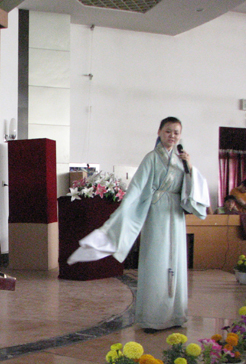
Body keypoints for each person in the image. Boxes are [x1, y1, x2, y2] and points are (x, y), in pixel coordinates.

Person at [68, 117, 209, 332]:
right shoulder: (151, 158)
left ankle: (175, 314)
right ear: (159, 132)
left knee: (176, 260)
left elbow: (192, 186)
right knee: (157, 259)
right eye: (168, 131)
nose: (172, 136)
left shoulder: (181, 160)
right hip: (157, 212)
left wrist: (189, 166)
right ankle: (154, 317)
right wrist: (126, 208)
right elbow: (137, 186)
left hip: (175, 214)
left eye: (176, 132)